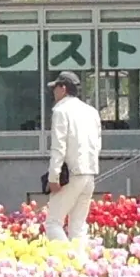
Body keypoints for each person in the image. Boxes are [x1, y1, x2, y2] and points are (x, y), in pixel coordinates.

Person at [44, 71, 104, 243]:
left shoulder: (61, 111)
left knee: (53, 223)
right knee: (78, 226)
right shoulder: (91, 111)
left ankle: (67, 262)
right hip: (89, 173)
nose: (53, 92)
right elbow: (97, 144)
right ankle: (82, 264)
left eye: (55, 88)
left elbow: (58, 146)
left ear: (63, 88)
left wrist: (53, 176)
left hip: (70, 173)